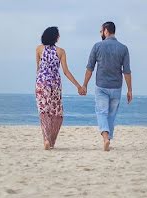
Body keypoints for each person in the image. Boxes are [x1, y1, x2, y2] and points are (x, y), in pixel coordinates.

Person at [82, 21, 132, 151]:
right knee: (111, 115)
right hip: (116, 87)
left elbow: (89, 68)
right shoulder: (123, 48)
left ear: (106, 31)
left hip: (101, 86)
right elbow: (126, 71)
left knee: (101, 112)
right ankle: (108, 138)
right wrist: (129, 90)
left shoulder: (97, 46)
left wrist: (84, 85)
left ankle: (105, 138)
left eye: (101, 31)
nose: (100, 33)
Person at [35, 26, 85, 150]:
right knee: (56, 113)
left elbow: (38, 69)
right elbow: (66, 72)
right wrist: (78, 86)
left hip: (41, 83)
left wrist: (39, 84)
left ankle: (46, 139)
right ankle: (51, 141)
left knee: (44, 111)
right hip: (55, 85)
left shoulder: (39, 49)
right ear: (55, 37)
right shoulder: (61, 51)